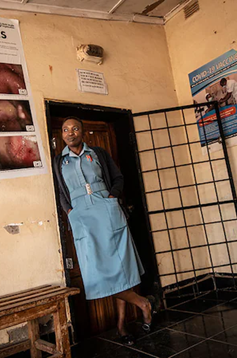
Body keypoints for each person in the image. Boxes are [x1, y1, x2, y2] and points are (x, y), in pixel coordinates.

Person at [52, 117, 157, 346]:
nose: (71, 133)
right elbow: (60, 192)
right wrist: (70, 211)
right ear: (62, 135)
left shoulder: (97, 153)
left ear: (82, 131)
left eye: (75, 128)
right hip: (81, 216)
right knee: (97, 275)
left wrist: (112, 197)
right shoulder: (59, 161)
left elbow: (117, 178)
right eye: (66, 130)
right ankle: (143, 303)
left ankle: (121, 326)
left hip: (106, 210)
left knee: (120, 269)